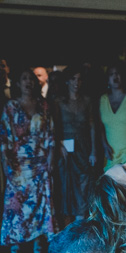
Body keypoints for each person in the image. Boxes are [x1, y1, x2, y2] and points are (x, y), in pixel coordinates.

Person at [0, 68, 56, 253]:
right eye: (24, 78)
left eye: (31, 79)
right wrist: (6, 162)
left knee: (39, 202)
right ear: (18, 83)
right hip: (18, 163)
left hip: (40, 161)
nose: (28, 82)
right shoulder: (11, 106)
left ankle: (37, 238)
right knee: (17, 203)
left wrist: (50, 159)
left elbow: (50, 134)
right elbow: (5, 136)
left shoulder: (44, 105)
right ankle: (16, 239)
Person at [53, 64, 97, 225]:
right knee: (67, 185)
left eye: (79, 79)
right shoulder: (59, 102)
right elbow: (55, 126)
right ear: (67, 81)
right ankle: (67, 223)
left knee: (84, 183)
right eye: (73, 79)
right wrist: (58, 144)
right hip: (65, 148)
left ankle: (81, 219)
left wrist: (93, 151)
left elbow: (92, 126)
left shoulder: (87, 100)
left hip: (83, 146)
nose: (76, 82)